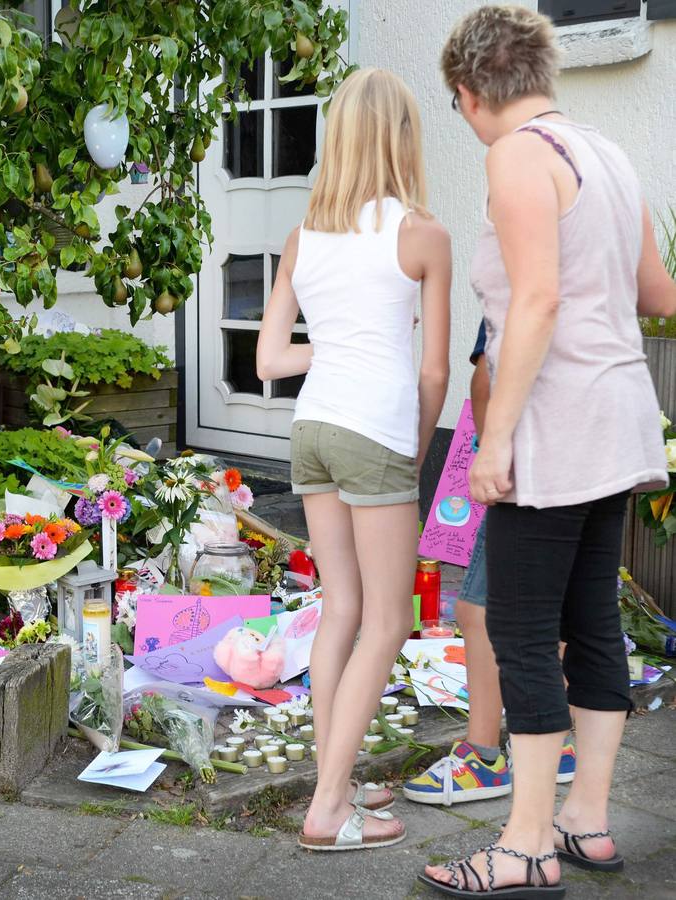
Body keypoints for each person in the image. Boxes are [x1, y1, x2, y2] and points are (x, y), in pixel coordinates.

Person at [422, 7, 676, 897]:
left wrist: (491, 445)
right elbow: (657, 293)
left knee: (523, 629)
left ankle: (522, 845)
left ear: (468, 90)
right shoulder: (602, 151)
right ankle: (587, 822)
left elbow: (531, 304)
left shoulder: (517, 154)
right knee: (591, 622)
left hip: (554, 426)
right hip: (618, 416)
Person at [256, 67, 451, 851]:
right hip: (374, 431)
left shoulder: (304, 237)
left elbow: (269, 359)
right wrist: (415, 441)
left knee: (340, 611)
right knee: (386, 622)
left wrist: (331, 347)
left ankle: (329, 779)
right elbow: (432, 372)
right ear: (403, 138)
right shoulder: (422, 233)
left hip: (312, 430)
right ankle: (329, 805)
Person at [403, 321, 576, 807]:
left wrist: (487, 450)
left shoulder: (520, 272)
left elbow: (487, 374)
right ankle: (556, 746)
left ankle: (484, 756)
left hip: (526, 457)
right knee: (558, 603)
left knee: (478, 607)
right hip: (584, 457)